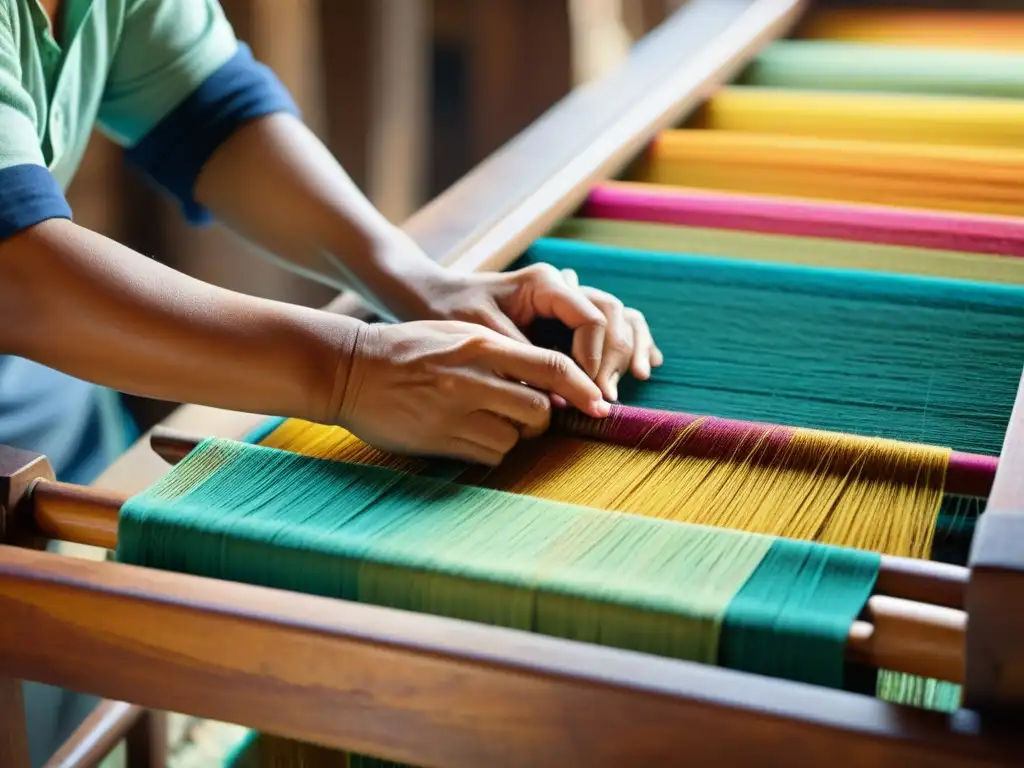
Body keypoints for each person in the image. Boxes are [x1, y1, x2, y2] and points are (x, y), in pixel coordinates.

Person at [0, 0, 662, 764]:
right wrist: (349, 369)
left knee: (103, 707)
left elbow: (210, 111)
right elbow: (19, 277)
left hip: (53, 412)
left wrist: (419, 282)